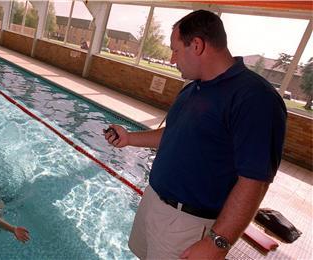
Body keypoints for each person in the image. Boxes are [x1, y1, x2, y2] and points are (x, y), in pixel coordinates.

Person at [104, 10, 286, 259]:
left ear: (197, 45)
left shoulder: (255, 98)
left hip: (188, 223)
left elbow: (255, 181)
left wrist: (217, 242)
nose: (171, 59)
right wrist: (129, 138)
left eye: (175, 50)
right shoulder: (193, 89)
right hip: (154, 201)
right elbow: (175, 134)